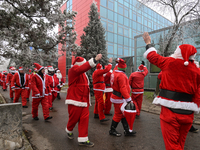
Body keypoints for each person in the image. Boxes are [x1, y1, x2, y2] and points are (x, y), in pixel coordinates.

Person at [142, 32, 200, 150]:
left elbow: (153, 57)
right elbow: (198, 94)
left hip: (170, 113)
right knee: (180, 144)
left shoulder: (170, 63)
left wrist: (148, 43)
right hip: (188, 115)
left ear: (178, 53)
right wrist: (195, 107)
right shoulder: (197, 71)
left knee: (172, 146)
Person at [65, 54, 102, 147]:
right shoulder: (73, 70)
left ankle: (83, 139)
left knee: (84, 120)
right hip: (75, 100)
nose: (85, 65)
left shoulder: (82, 73)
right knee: (73, 119)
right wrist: (94, 60)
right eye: (84, 64)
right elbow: (81, 69)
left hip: (84, 101)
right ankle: (69, 129)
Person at [109, 58, 136, 137]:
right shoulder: (121, 75)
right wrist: (128, 99)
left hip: (117, 97)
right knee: (118, 114)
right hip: (119, 98)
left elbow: (116, 67)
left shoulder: (115, 72)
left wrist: (118, 61)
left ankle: (127, 130)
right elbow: (123, 88)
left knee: (123, 114)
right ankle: (112, 130)